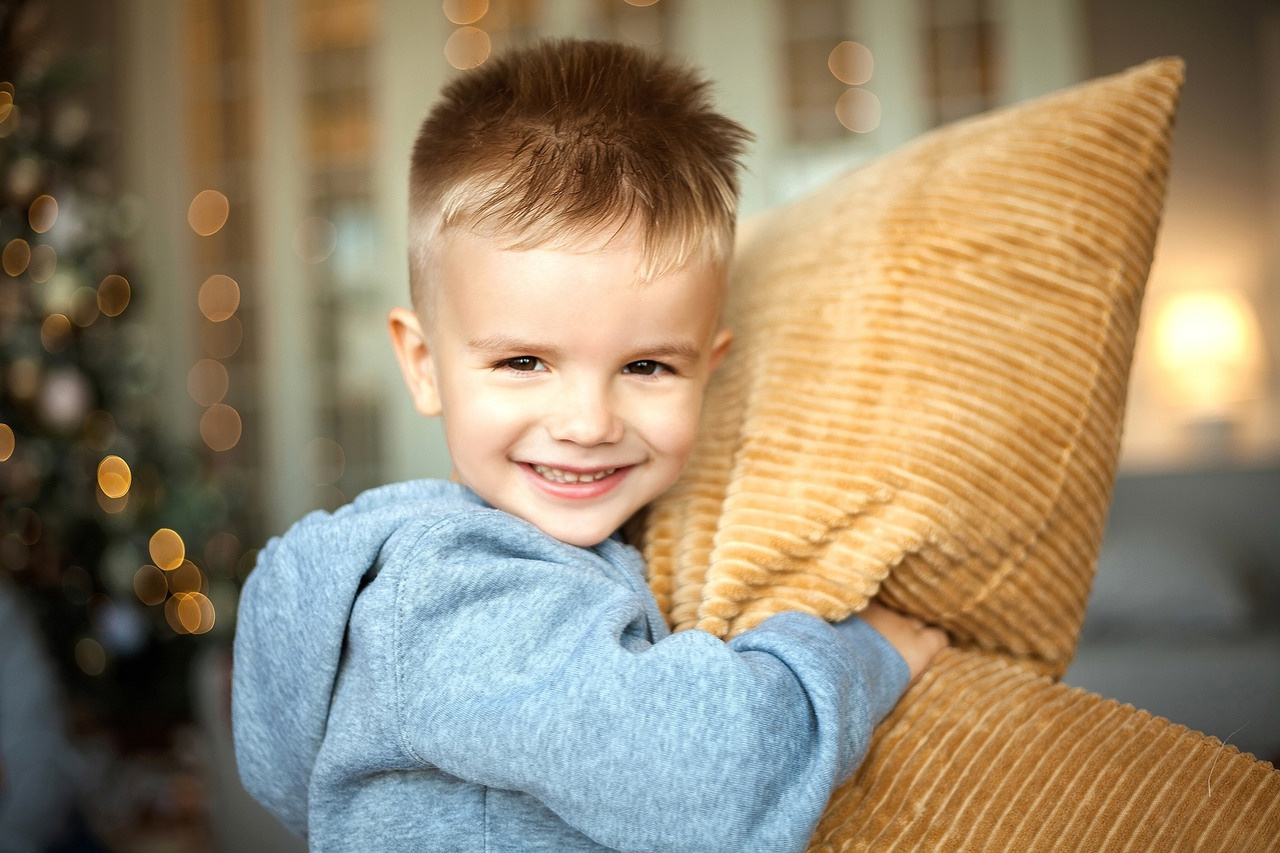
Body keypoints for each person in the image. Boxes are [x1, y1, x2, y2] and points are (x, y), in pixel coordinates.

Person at [232, 38, 947, 853]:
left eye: (645, 365)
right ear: (424, 366)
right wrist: (865, 650)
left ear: (707, 371)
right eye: (523, 361)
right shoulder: (445, 591)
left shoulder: (605, 549)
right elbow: (706, 779)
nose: (587, 421)